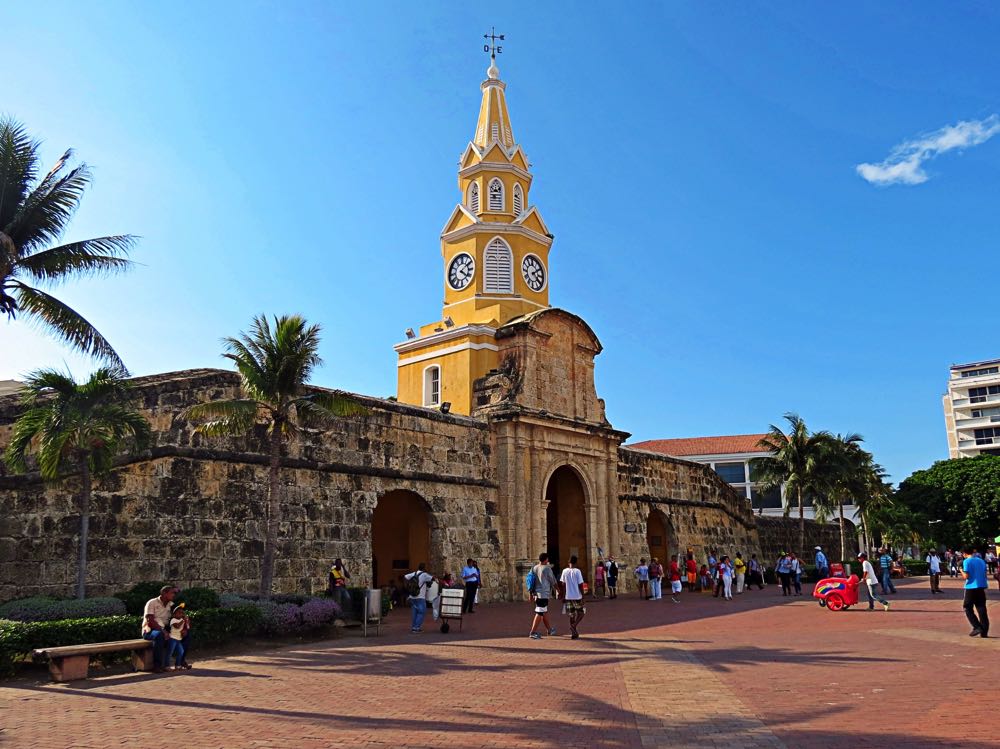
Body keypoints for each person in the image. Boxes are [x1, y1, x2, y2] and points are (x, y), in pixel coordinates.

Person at [141, 585, 175, 673]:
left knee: (184, 635)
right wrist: (163, 631)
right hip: (149, 630)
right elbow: (150, 620)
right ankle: (157, 666)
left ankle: (180, 662)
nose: (174, 595)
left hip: (164, 628)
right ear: (164, 593)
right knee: (159, 635)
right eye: (172, 593)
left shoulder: (171, 605)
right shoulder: (152, 602)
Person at [528, 552, 559, 640]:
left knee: (544, 611)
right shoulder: (547, 569)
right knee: (539, 613)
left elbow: (530, 581)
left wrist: (531, 594)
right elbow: (553, 581)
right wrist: (558, 590)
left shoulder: (534, 568)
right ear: (546, 559)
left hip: (536, 594)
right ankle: (532, 632)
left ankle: (549, 630)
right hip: (543, 594)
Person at [960, 546, 990, 638]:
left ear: (964, 553)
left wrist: (960, 570)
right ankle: (984, 631)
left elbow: (966, 576)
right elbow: (985, 574)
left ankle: (977, 626)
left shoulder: (966, 561)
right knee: (981, 609)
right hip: (981, 586)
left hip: (971, 587)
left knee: (967, 607)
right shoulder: (981, 561)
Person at [560, 555, 586, 639]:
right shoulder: (577, 571)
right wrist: (583, 596)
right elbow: (580, 584)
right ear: (576, 562)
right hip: (577, 596)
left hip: (568, 596)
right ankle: (574, 626)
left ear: (568, 562)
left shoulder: (564, 571)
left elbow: (563, 585)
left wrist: (563, 596)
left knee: (572, 615)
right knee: (581, 613)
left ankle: (574, 633)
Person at [404, 563, 434, 633]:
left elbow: (405, 577)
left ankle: (414, 627)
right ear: (424, 568)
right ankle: (416, 628)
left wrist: (408, 587)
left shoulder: (414, 573)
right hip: (420, 597)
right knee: (421, 612)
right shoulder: (424, 575)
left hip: (412, 597)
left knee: (414, 612)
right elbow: (433, 578)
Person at [167, 603, 189, 671]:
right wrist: (183, 620)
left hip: (178, 639)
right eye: (179, 613)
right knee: (170, 652)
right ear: (174, 614)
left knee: (181, 652)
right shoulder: (173, 620)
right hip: (172, 638)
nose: (181, 614)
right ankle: (167, 666)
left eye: (182, 613)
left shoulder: (182, 620)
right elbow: (177, 626)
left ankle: (178, 665)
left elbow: (187, 627)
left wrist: (186, 621)